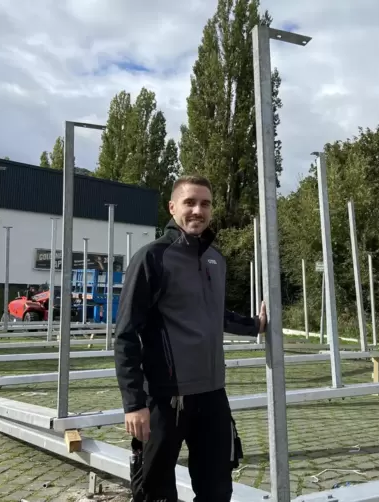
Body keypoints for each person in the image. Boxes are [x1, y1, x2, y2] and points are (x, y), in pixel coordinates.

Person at [114, 174, 267, 502]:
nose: (198, 210)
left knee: (217, 490)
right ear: (172, 207)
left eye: (205, 204)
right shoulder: (153, 257)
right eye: (190, 202)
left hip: (212, 397)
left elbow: (216, 314)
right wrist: (134, 404)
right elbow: (126, 333)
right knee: (155, 493)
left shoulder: (216, 259)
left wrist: (255, 325)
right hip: (165, 400)